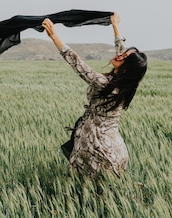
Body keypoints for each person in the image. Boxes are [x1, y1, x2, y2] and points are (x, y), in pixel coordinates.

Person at [42, 12, 148, 178]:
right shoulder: (124, 85)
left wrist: (54, 36)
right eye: (124, 52)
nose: (119, 55)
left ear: (126, 68)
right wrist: (115, 26)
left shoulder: (104, 83)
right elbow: (121, 51)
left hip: (96, 144)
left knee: (83, 184)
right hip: (115, 145)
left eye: (124, 58)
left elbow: (78, 64)